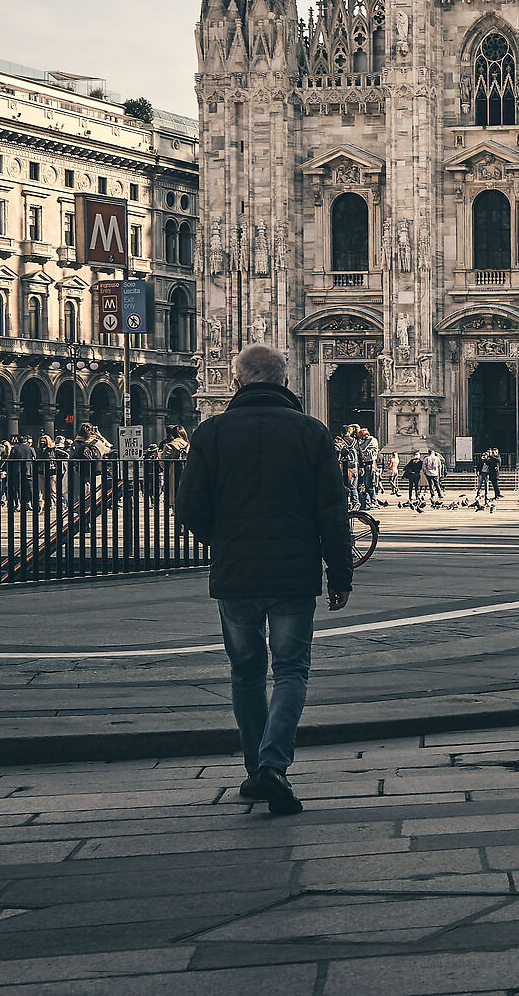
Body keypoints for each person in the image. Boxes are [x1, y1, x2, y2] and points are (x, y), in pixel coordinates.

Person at [176, 344, 353, 819]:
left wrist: (225, 539)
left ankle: (258, 769)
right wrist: (339, 573)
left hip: (236, 575)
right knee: (292, 670)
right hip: (294, 575)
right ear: (284, 379)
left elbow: (189, 508)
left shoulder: (210, 432)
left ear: (237, 381)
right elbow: (332, 513)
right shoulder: (311, 432)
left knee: (245, 673)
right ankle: (274, 765)